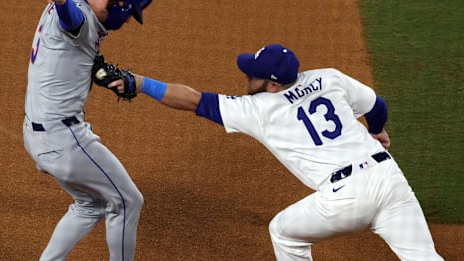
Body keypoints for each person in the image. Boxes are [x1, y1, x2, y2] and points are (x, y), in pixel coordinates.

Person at [108, 43, 444, 261]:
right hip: (388, 177)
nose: (246, 76)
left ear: (271, 85)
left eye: (252, 75)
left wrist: (141, 83)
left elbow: (193, 100)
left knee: (284, 233)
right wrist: (376, 130)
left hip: (345, 197)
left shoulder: (258, 109)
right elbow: (376, 105)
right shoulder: (328, 78)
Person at [22, 0, 203, 261]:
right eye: (132, 10)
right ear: (120, 1)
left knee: (89, 205)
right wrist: (58, 4)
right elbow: (70, 21)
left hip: (40, 132)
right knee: (128, 201)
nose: (128, 18)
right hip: (65, 139)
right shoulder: (81, 18)